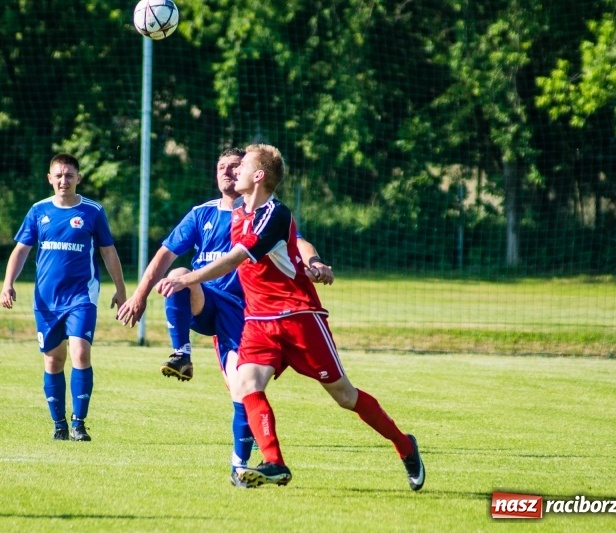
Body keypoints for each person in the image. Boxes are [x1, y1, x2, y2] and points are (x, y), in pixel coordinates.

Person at [156, 144, 425, 490]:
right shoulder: (238, 216)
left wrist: (186, 278)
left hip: (298, 318)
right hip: (258, 323)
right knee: (246, 385)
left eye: (243, 167)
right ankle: (274, 462)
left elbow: (244, 255)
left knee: (345, 396)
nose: (233, 172)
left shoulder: (274, 214)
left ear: (259, 176)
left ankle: (405, 445)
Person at [117, 147, 332, 486]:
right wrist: (139, 295)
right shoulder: (202, 214)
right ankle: (181, 354)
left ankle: (239, 466)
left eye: (236, 166)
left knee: (240, 389)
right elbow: (164, 255)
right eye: (222, 167)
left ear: (251, 173)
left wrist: (314, 262)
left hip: (249, 315)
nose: (229, 172)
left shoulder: (262, 214)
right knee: (180, 274)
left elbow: (299, 241)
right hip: (209, 301)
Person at [0, 153, 127, 442]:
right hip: (46, 300)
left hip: (82, 296)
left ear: (78, 178)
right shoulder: (38, 211)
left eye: (69, 175)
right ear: (49, 178)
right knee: (54, 361)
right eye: (58, 175)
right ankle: (59, 425)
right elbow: (21, 250)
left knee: (80, 353)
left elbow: (108, 251)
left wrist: (120, 289)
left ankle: (79, 423)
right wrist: (8, 283)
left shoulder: (93, 212)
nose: (63, 180)